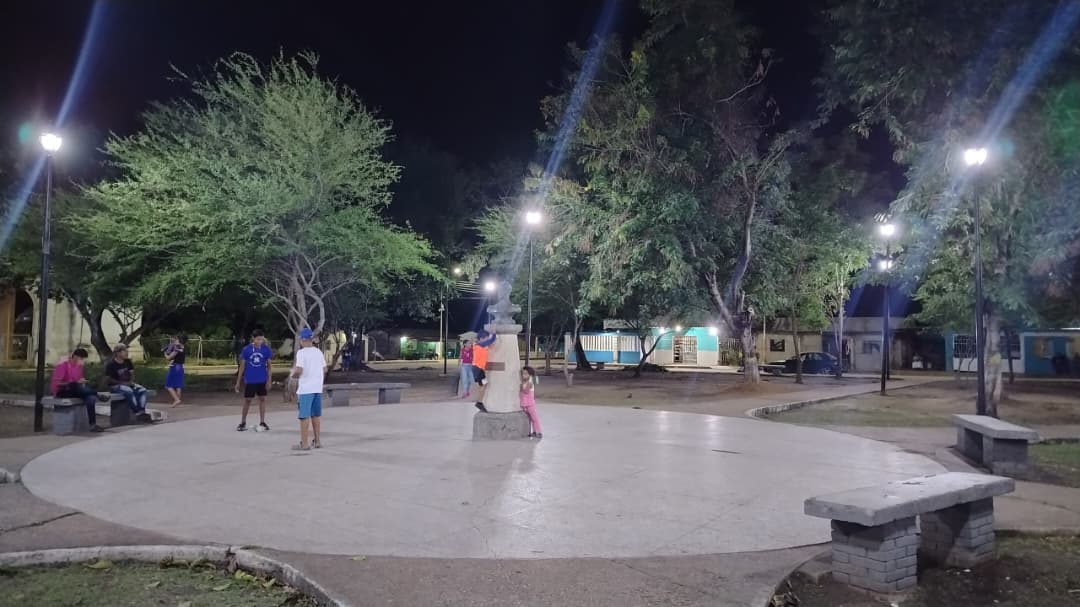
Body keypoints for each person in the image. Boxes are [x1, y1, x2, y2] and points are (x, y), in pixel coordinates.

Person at [50, 348, 102, 433]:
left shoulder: (79, 366)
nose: (82, 361)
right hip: (62, 391)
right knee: (73, 385)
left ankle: (92, 425)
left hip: (76, 390)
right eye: (81, 358)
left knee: (91, 398)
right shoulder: (63, 364)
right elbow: (57, 383)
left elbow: (78, 382)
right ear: (75, 356)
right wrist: (74, 383)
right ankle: (97, 394)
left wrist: (82, 382)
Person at [291, 328, 326, 451]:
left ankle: (304, 443)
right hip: (317, 387)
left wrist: (293, 375)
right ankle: (317, 441)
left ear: (302, 340)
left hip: (306, 388)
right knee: (315, 415)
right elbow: (324, 369)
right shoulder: (318, 352)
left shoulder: (301, 353)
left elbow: (299, 370)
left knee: (304, 416)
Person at [235, 329, 273, 432]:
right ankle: (243, 422)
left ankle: (262, 421)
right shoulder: (247, 349)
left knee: (262, 399)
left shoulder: (266, 349)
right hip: (250, 379)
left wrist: (269, 380)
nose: (260, 341)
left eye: (261, 339)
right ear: (253, 338)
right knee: (247, 400)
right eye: (258, 339)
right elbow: (242, 366)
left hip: (262, 379)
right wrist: (238, 381)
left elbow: (269, 366)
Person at [105, 344, 152, 422]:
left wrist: (131, 382)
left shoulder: (128, 361)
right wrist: (122, 383)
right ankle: (137, 412)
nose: (127, 353)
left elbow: (132, 374)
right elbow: (108, 379)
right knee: (129, 391)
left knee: (142, 390)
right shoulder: (111, 365)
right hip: (116, 386)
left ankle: (141, 411)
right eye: (124, 351)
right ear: (118, 353)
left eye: (127, 351)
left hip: (128, 384)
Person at [472, 331, 496, 412]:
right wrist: (494, 332)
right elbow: (492, 340)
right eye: (486, 338)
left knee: (483, 384)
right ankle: (479, 402)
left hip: (478, 369)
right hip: (478, 369)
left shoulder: (479, 345)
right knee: (484, 384)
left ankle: (480, 401)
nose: (487, 340)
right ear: (481, 339)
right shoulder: (480, 345)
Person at [164, 334, 187, 407]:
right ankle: (177, 401)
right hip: (180, 367)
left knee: (168, 385)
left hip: (175, 367)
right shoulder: (183, 348)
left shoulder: (177, 349)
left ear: (179, 340)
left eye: (176, 339)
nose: (175, 341)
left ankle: (176, 399)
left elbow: (169, 358)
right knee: (178, 385)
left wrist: (165, 353)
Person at [520, 365, 542, 439]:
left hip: (530, 404)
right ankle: (533, 431)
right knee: (530, 419)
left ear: (530, 375)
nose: (524, 375)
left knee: (534, 418)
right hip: (525, 404)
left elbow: (525, 391)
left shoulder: (530, 382)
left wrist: (522, 385)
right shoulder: (525, 382)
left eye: (526, 374)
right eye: (523, 373)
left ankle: (538, 432)